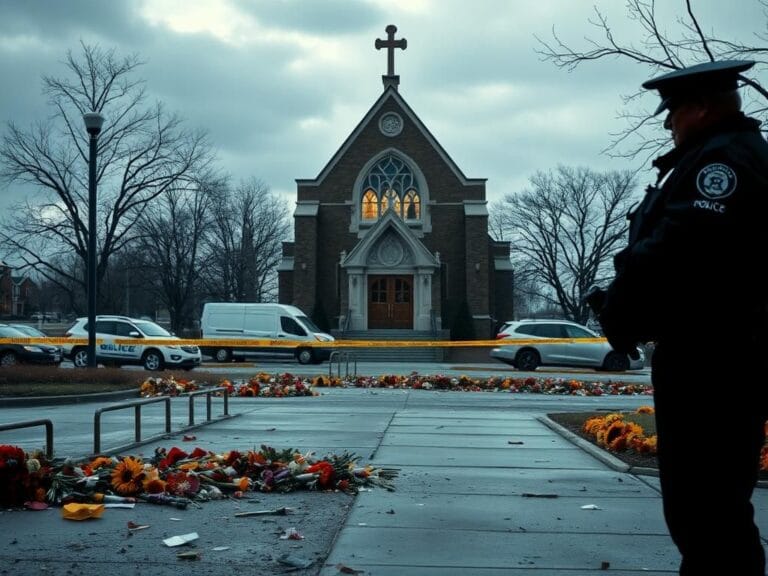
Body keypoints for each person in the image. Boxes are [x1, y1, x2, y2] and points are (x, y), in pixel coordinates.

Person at [593, 60, 768, 574]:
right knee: (707, 513)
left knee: (708, 512)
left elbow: (677, 251)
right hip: (714, 354)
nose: (668, 122)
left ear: (703, 107)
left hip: (714, 361)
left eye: (673, 111)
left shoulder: (724, 164)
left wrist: (621, 307)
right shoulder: (724, 154)